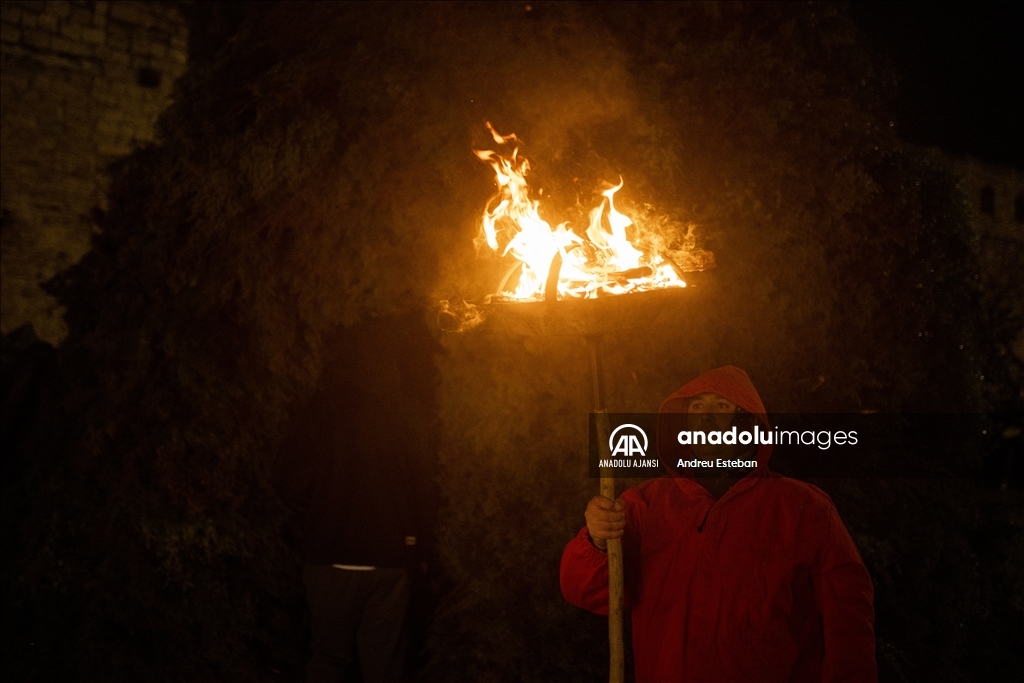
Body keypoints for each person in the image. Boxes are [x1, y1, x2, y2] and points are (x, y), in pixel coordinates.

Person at [560, 365, 877, 682]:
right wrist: (597, 541)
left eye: (721, 405)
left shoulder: (802, 507)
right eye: (697, 406)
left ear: (747, 421)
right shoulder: (644, 503)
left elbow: (847, 617)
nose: (706, 416)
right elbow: (589, 593)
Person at [275, 317, 434, 683]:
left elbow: (288, 485)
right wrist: (420, 551)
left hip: (332, 556)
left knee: (329, 659)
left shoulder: (321, 412)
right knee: (386, 668)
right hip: (391, 558)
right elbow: (422, 487)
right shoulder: (402, 414)